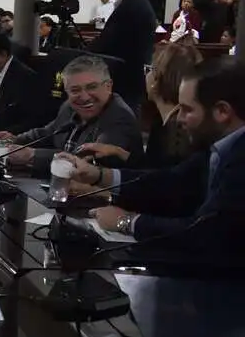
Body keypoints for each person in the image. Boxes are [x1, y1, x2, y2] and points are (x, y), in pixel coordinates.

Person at [62, 57, 245, 264]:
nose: (180, 118)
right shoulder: (218, 146)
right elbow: (172, 181)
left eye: (187, 109)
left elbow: (207, 233)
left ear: (222, 111)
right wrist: (99, 175)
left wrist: (128, 222)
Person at [0, 56, 141, 178]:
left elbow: (85, 164)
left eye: (92, 87)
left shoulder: (120, 119)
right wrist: (16, 139)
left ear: (109, 86)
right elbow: (48, 132)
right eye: (75, 90)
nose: (84, 97)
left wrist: (33, 155)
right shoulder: (69, 106)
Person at [76, 43, 201, 170]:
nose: (146, 76)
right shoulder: (162, 121)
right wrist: (118, 152)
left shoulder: (178, 131)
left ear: (157, 79)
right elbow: (150, 166)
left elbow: (157, 181)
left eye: (150, 70)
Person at [90, 0, 158, 110]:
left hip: (125, 82)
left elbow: (110, 43)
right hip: (127, 80)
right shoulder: (132, 2)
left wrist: (85, 51)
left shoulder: (132, 6)